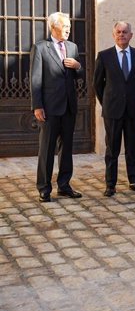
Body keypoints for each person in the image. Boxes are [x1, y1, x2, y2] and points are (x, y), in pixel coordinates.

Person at [30, 12, 84, 202]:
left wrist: (78, 66)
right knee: (47, 149)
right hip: (50, 108)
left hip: (69, 107)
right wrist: (37, 106)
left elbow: (79, 75)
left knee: (66, 148)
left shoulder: (73, 47)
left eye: (69, 26)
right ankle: (44, 187)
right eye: (65, 26)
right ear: (54, 27)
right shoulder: (41, 48)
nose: (68, 29)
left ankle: (64, 185)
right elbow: (35, 80)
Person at [93, 21, 135, 197]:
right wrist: (108, 102)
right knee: (112, 148)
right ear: (113, 34)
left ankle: (134, 181)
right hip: (113, 110)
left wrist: (132, 99)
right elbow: (97, 84)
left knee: (132, 148)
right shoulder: (104, 56)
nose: (122, 35)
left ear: (131, 35)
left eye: (125, 32)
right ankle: (111, 184)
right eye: (118, 32)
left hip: (133, 109)